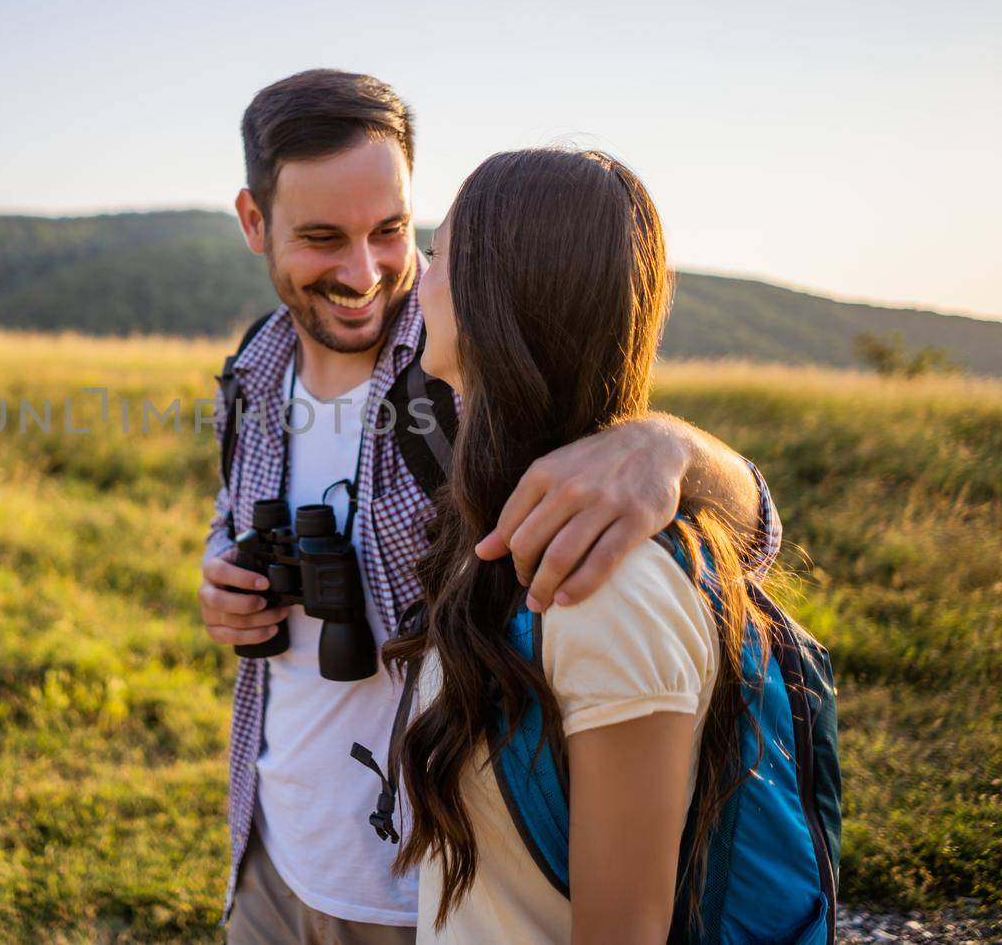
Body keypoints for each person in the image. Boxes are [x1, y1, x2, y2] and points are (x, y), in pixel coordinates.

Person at [200, 70, 784, 943]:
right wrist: (222, 577)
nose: (367, 273)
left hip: (431, 892)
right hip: (271, 853)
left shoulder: (469, 373)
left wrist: (670, 447)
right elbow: (229, 510)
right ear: (254, 221)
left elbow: (749, 536)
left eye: (393, 231)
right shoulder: (254, 365)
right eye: (323, 238)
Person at [393, 147, 823, 942]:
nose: (420, 274)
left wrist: (677, 447)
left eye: (442, 255)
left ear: (494, 294)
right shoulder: (512, 519)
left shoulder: (606, 587)